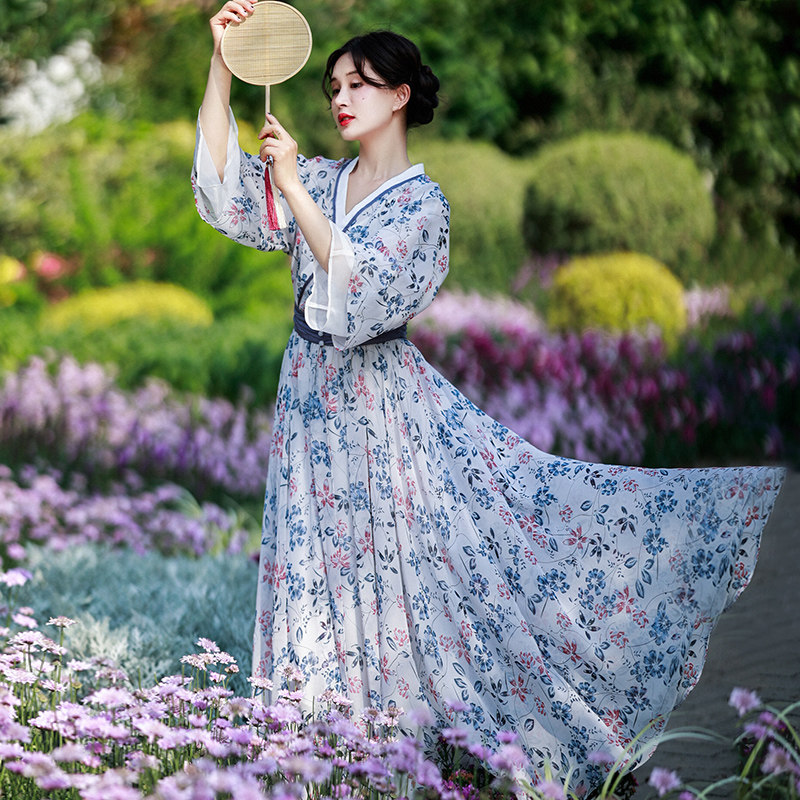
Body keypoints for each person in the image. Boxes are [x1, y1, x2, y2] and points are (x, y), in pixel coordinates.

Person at [192, 1, 785, 791]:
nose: (340, 98)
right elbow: (229, 190)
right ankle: (319, 745)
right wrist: (225, 63)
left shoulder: (421, 205)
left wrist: (296, 186)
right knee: (315, 561)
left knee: (418, 565)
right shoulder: (326, 179)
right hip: (309, 401)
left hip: (379, 405)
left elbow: (366, 287)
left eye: (360, 84)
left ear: (400, 95)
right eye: (333, 84)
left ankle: (419, 739)